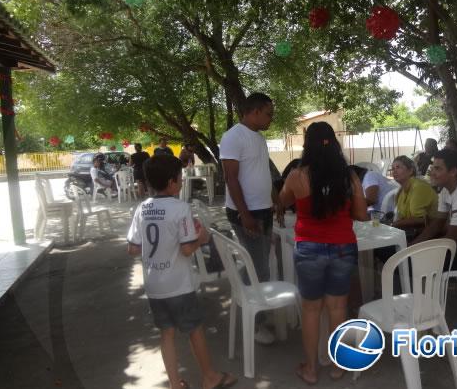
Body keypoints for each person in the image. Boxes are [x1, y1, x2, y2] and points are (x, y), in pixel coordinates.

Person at [127, 155, 236, 389]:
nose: (181, 180)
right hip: (179, 285)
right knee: (194, 330)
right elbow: (187, 249)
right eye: (180, 176)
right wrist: (203, 238)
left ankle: (175, 384)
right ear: (172, 182)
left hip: (154, 286)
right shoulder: (180, 208)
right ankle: (209, 377)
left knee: (166, 333)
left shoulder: (142, 208)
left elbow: (133, 249)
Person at [279, 122, 368, 385]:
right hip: (343, 246)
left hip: (308, 248)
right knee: (338, 307)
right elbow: (362, 214)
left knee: (311, 310)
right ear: (334, 143)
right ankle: (339, 366)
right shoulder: (348, 176)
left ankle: (311, 369)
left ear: (308, 145)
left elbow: (283, 201)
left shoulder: (296, 175)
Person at [219, 92, 278, 345]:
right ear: (254, 112)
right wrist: (245, 215)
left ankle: (255, 309)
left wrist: (276, 198)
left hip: (263, 209)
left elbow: (263, 171)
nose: (270, 119)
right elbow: (230, 178)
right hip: (247, 212)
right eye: (268, 114)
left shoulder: (258, 138)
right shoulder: (233, 137)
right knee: (258, 266)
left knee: (260, 261)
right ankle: (254, 322)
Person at [411, 148, 457, 271]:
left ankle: (426, 289)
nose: (431, 173)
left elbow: (450, 239)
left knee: (413, 262)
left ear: (452, 171)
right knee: (410, 251)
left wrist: (416, 249)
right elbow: (437, 224)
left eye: (438, 169)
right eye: (433, 167)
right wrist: (412, 245)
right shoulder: (446, 190)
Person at [390, 155, 438, 241]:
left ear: (410, 171)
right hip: (412, 233)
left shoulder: (418, 187)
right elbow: (402, 217)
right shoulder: (400, 191)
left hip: (429, 236)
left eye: (398, 167)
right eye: (392, 168)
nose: (394, 171)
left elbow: (421, 220)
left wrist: (392, 225)